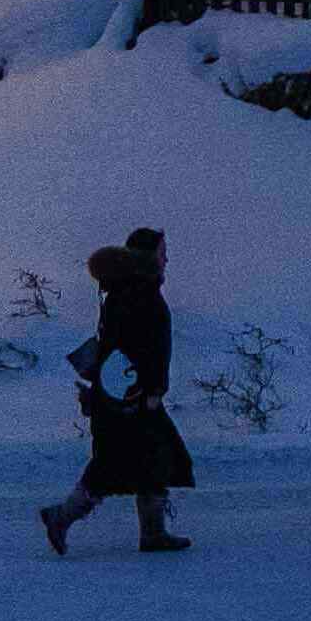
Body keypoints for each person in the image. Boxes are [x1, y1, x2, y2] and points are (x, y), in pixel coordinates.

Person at [41, 227, 195, 555]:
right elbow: (142, 349)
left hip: (122, 395)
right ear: (147, 256)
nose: (167, 257)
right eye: (162, 250)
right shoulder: (137, 293)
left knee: (154, 456)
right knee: (115, 463)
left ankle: (152, 533)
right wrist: (151, 389)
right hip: (129, 398)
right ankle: (61, 517)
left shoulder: (129, 289)